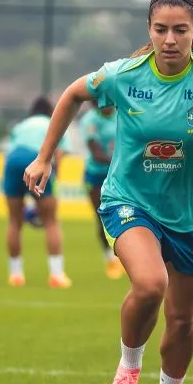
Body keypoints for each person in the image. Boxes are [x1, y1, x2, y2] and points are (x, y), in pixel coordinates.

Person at [23, 0, 193, 384]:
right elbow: (72, 94)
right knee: (151, 284)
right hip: (128, 200)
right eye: (160, 29)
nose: (169, 39)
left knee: (183, 317)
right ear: (149, 30)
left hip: (191, 215)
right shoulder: (123, 76)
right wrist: (44, 156)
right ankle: (128, 369)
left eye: (180, 30)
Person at [2, 96, 73, 288]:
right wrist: (51, 182)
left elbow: (11, 151)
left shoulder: (21, 126)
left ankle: (16, 275)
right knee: (50, 221)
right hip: (37, 158)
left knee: (15, 221)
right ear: (51, 110)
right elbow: (58, 155)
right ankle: (56, 275)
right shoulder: (54, 123)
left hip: (13, 162)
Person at [79, 104, 125, 279]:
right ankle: (111, 260)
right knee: (102, 218)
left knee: (127, 215)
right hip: (96, 175)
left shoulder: (122, 114)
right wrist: (123, 162)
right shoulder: (90, 120)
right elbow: (96, 153)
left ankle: (128, 258)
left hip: (119, 175)